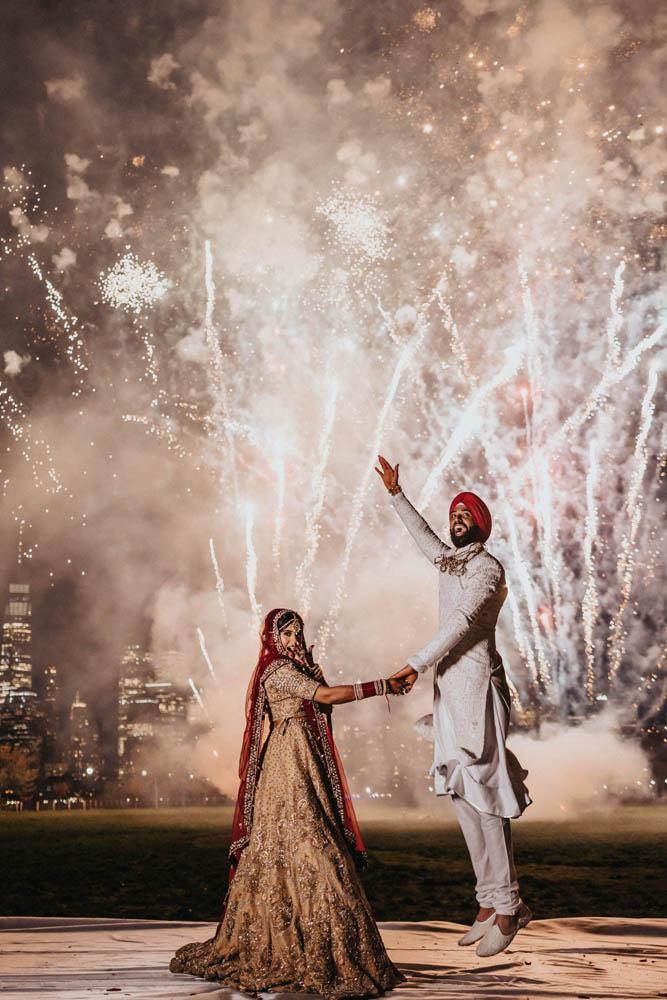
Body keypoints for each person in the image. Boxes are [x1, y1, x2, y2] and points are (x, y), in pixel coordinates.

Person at [170, 607, 406, 998]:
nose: (294, 639)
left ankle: (323, 946)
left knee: (315, 845)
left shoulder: (295, 668)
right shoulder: (277, 671)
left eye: (298, 632)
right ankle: (290, 946)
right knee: (310, 847)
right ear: (272, 638)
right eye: (287, 634)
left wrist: (318, 675)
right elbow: (327, 697)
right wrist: (382, 685)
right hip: (287, 763)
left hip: (304, 757)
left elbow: (323, 703)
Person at [375, 455, 532, 958]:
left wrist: (415, 663)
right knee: (463, 799)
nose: (456, 519)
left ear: (480, 525)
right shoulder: (453, 561)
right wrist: (398, 494)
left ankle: (509, 908)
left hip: (478, 695)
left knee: (486, 798)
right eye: (454, 515)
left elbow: (463, 621)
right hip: (449, 694)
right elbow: (425, 541)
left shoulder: (487, 567)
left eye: (466, 515)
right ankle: (488, 903)